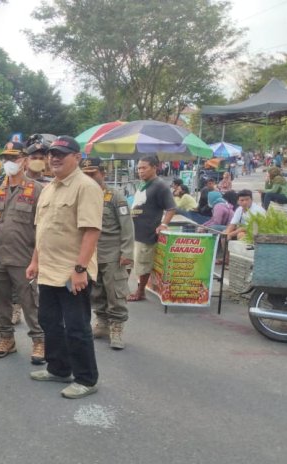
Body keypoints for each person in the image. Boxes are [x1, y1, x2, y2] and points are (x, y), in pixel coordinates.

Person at [26, 136, 103, 399]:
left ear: (77, 158)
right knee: (48, 321)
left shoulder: (86, 187)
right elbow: (43, 230)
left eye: (62, 153)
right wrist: (35, 261)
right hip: (48, 270)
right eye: (52, 154)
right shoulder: (49, 188)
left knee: (77, 326)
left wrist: (80, 269)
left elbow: (92, 231)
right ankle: (59, 369)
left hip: (73, 272)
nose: (54, 158)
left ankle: (86, 378)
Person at [0, 141, 45, 364]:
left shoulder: (37, 189)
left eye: (14, 159)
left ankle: (39, 341)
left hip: (24, 257)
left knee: (30, 301)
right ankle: (6, 339)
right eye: (5, 159)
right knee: (0, 299)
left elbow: (44, 227)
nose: (9, 163)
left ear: (24, 160)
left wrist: (39, 258)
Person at [81, 159, 134, 350]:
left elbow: (127, 226)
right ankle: (102, 323)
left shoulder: (115, 196)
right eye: (85, 174)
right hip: (91, 254)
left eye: (92, 174)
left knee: (115, 293)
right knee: (96, 292)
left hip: (113, 253)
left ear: (102, 173)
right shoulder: (83, 195)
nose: (89, 178)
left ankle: (117, 328)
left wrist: (127, 252)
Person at [128, 155, 176, 302]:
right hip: (133, 230)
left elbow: (171, 208)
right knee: (130, 261)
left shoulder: (160, 186)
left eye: (144, 168)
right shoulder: (142, 184)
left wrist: (164, 224)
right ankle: (126, 289)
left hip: (147, 232)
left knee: (143, 264)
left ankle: (140, 291)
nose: (140, 171)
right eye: (138, 168)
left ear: (155, 167)